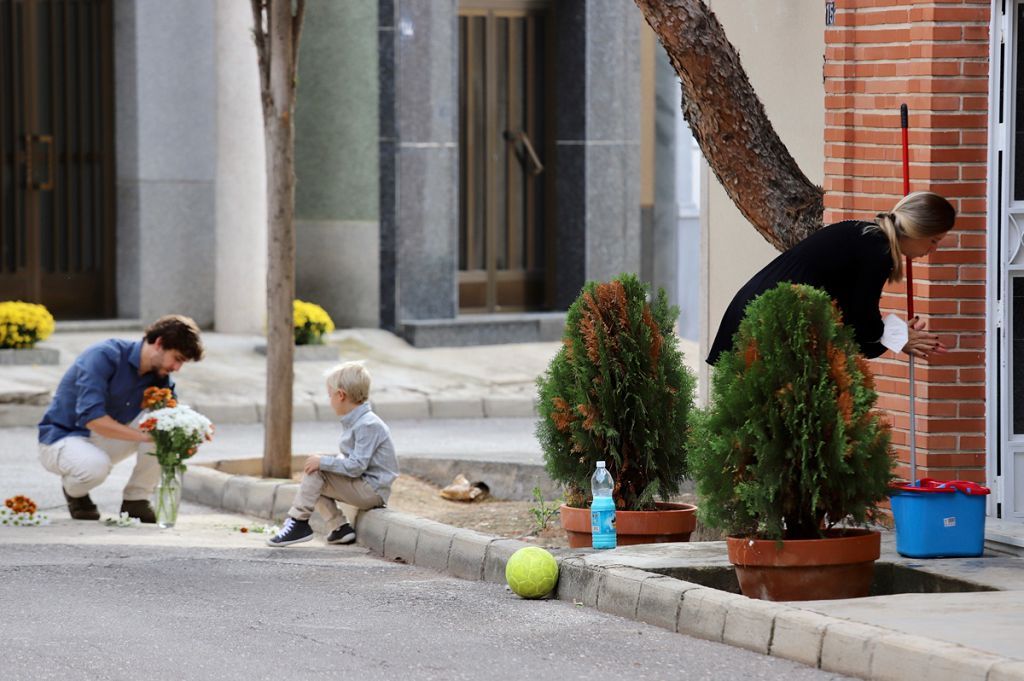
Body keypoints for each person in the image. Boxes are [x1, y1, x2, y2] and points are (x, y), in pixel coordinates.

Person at [707, 191, 956, 366]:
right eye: (934, 240)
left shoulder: (861, 233)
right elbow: (862, 326)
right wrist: (900, 337)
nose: (933, 249)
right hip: (764, 325)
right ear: (916, 231)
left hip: (754, 314)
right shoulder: (878, 252)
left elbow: (851, 316)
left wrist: (896, 335)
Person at [38, 315, 205, 522]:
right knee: (94, 467)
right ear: (159, 343)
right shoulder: (104, 355)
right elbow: (93, 418)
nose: (177, 368)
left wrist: (185, 438)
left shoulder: (160, 376)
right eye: (177, 358)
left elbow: (173, 419)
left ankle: (136, 500)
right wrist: (146, 438)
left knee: (168, 427)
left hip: (105, 439)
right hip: (63, 438)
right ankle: (75, 493)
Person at [268, 361, 399, 547]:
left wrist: (323, 463)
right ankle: (339, 528)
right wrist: (324, 461)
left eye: (330, 396)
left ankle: (298, 522)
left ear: (341, 395)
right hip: (364, 486)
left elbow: (356, 467)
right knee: (315, 470)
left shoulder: (368, 425)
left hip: (372, 491)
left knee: (318, 470)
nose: (329, 401)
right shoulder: (358, 421)